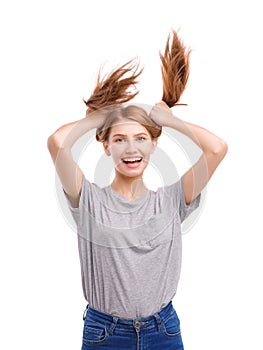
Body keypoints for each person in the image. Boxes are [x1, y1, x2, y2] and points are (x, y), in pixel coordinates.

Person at [47, 30, 228, 349]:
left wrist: (170, 121)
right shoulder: (88, 199)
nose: (131, 148)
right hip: (105, 334)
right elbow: (57, 142)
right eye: (119, 139)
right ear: (106, 148)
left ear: (154, 144)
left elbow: (217, 149)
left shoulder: (173, 198)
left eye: (141, 138)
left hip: (164, 331)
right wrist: (101, 118)